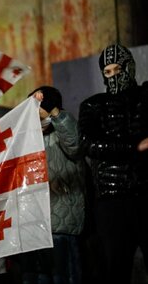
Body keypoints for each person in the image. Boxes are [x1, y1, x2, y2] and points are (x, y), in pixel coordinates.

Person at [78, 44, 148, 284]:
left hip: (145, 193)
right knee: (116, 267)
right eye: (107, 72)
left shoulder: (145, 97)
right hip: (112, 200)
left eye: (118, 69)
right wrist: (135, 147)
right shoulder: (93, 105)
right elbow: (90, 144)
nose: (114, 75)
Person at [9, 86, 87, 284]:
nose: (35, 115)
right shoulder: (22, 139)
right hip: (31, 227)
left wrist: (54, 111)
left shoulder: (63, 132)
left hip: (60, 227)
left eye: (39, 109)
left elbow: (75, 143)